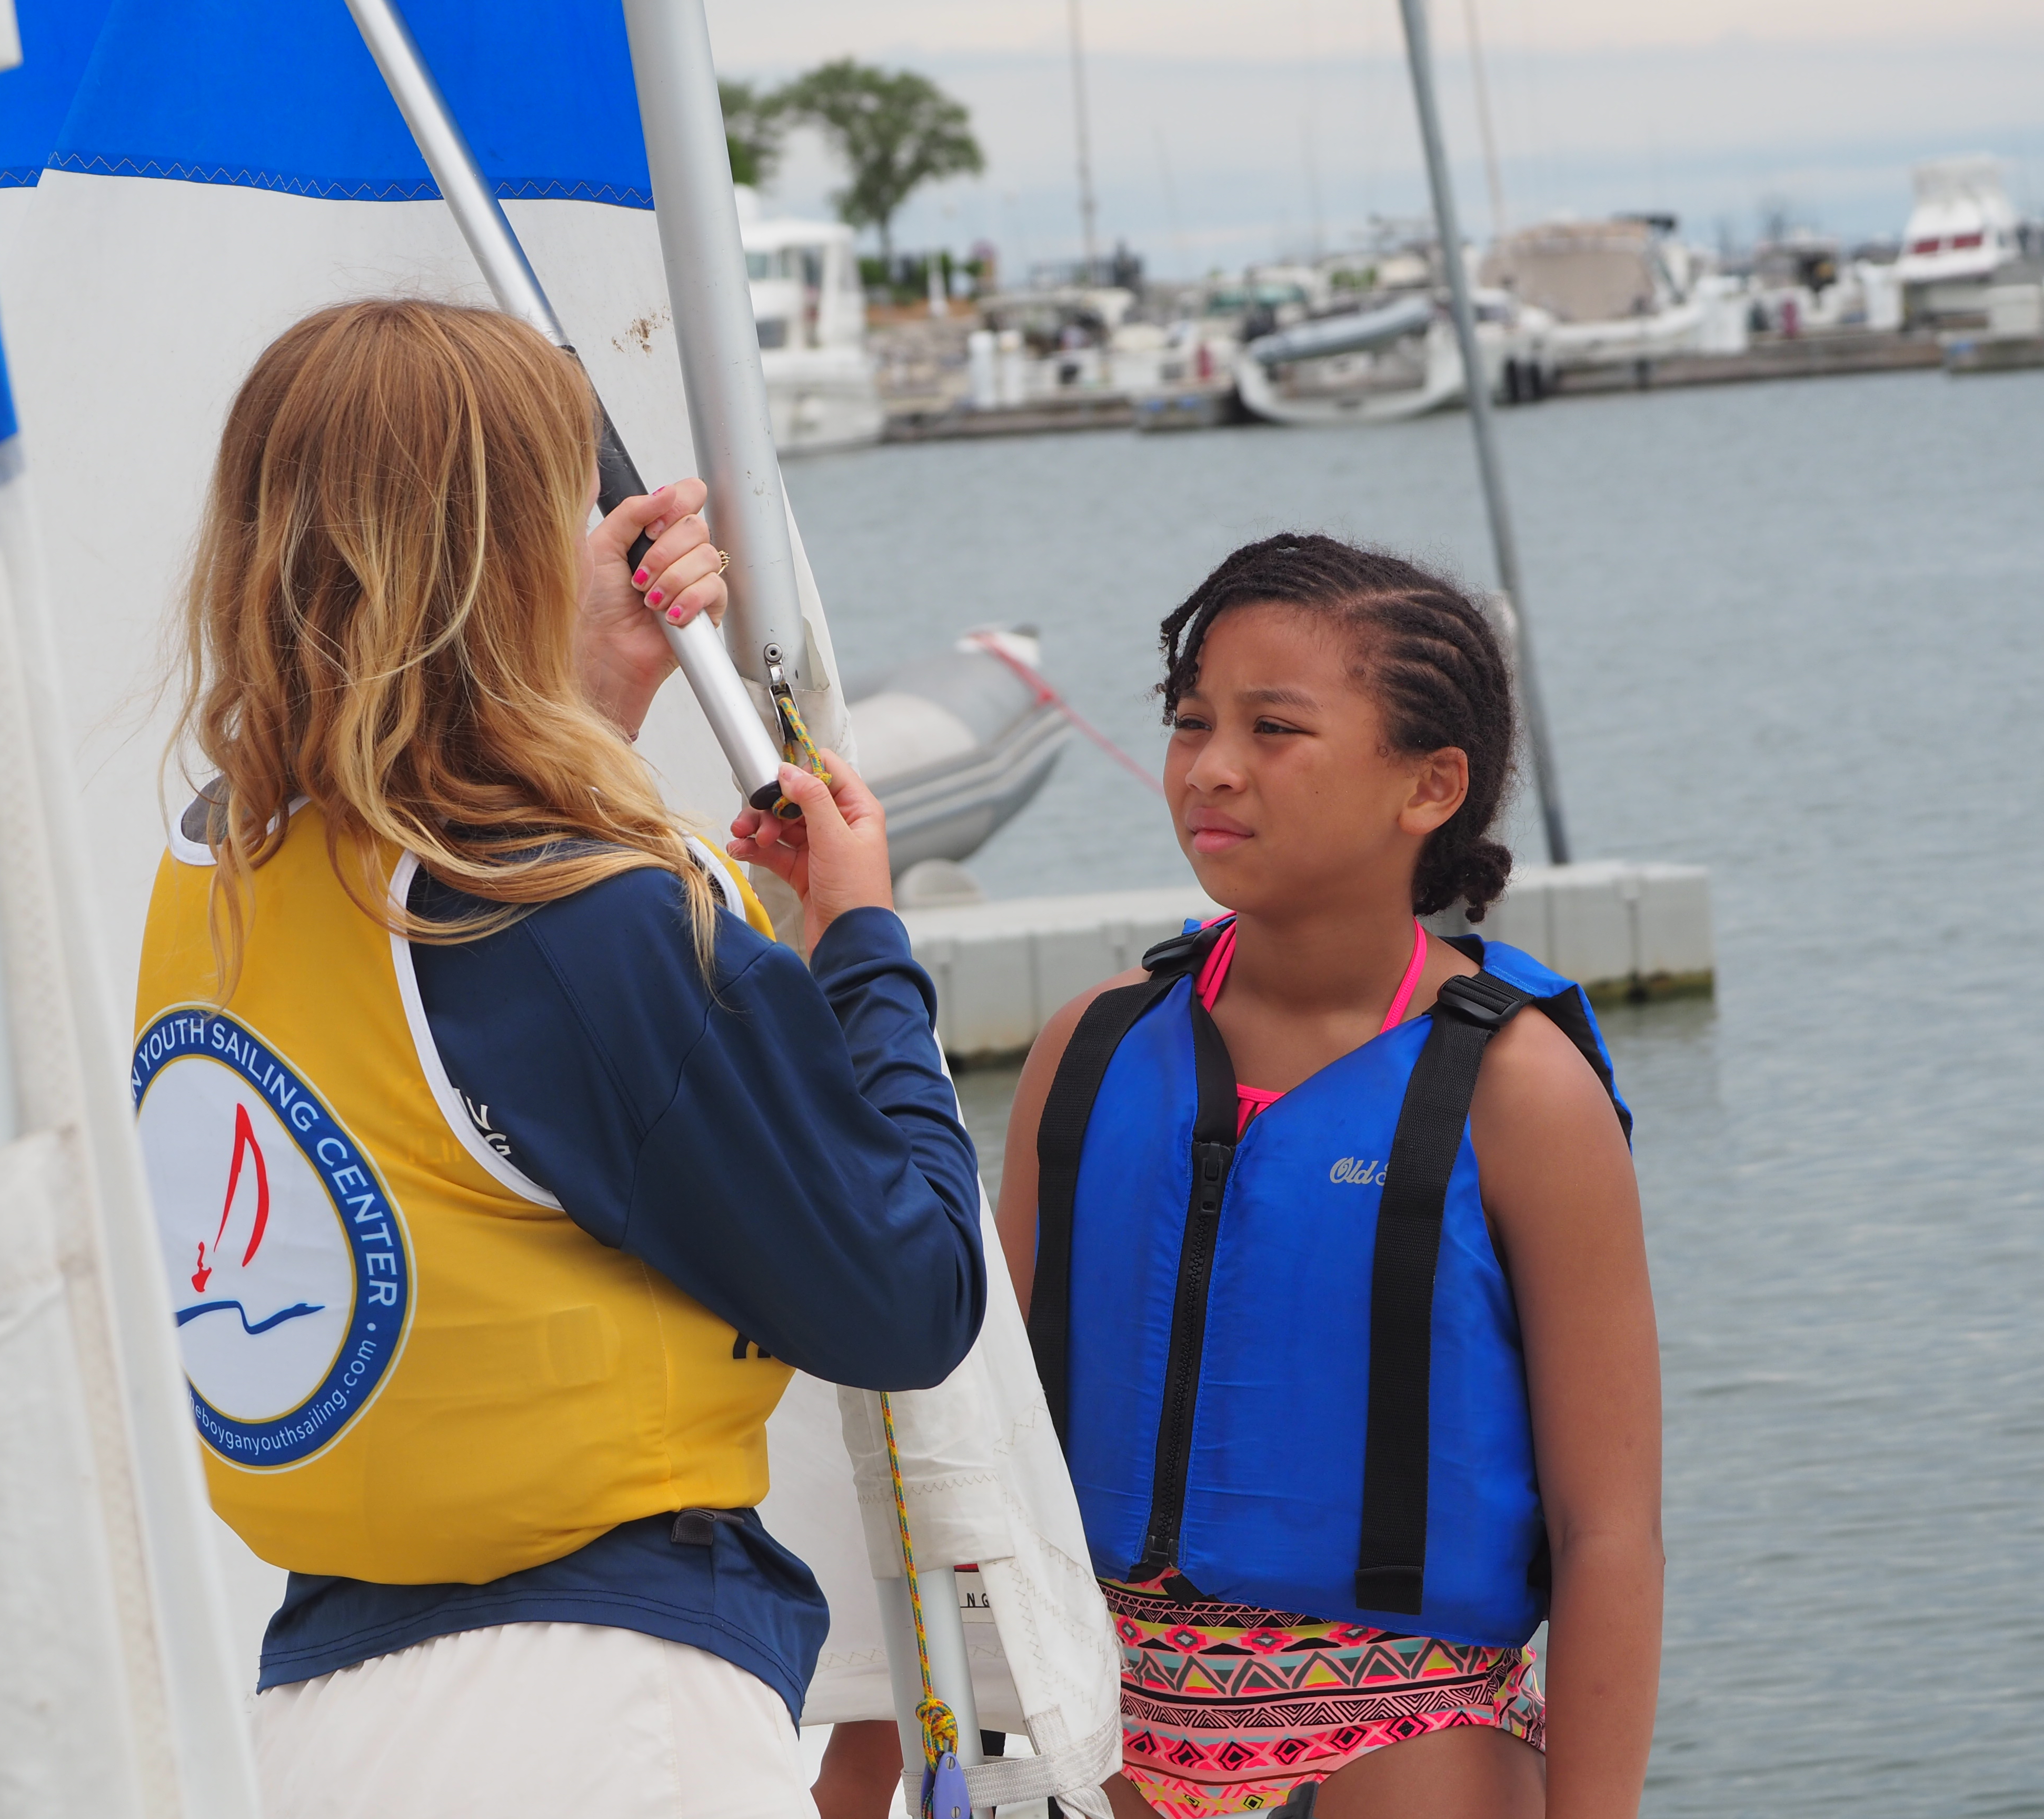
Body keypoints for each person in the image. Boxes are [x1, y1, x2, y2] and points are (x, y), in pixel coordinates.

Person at [128, 298, 985, 1818]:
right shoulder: (591, 920)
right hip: (605, 1707)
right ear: (510, 553)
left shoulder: (218, 868)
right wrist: (861, 942)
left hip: (321, 1715)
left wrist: (580, 696)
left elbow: (461, 968)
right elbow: (907, 1292)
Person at [990, 535, 1662, 1819]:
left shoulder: (1522, 1095)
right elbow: (978, 1450)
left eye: (1274, 728)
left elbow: (1611, 1535)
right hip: (1098, 1731)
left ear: (1430, 785)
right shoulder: (1090, 1050)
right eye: (1191, 721)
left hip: (1409, 1744)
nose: (1211, 765)